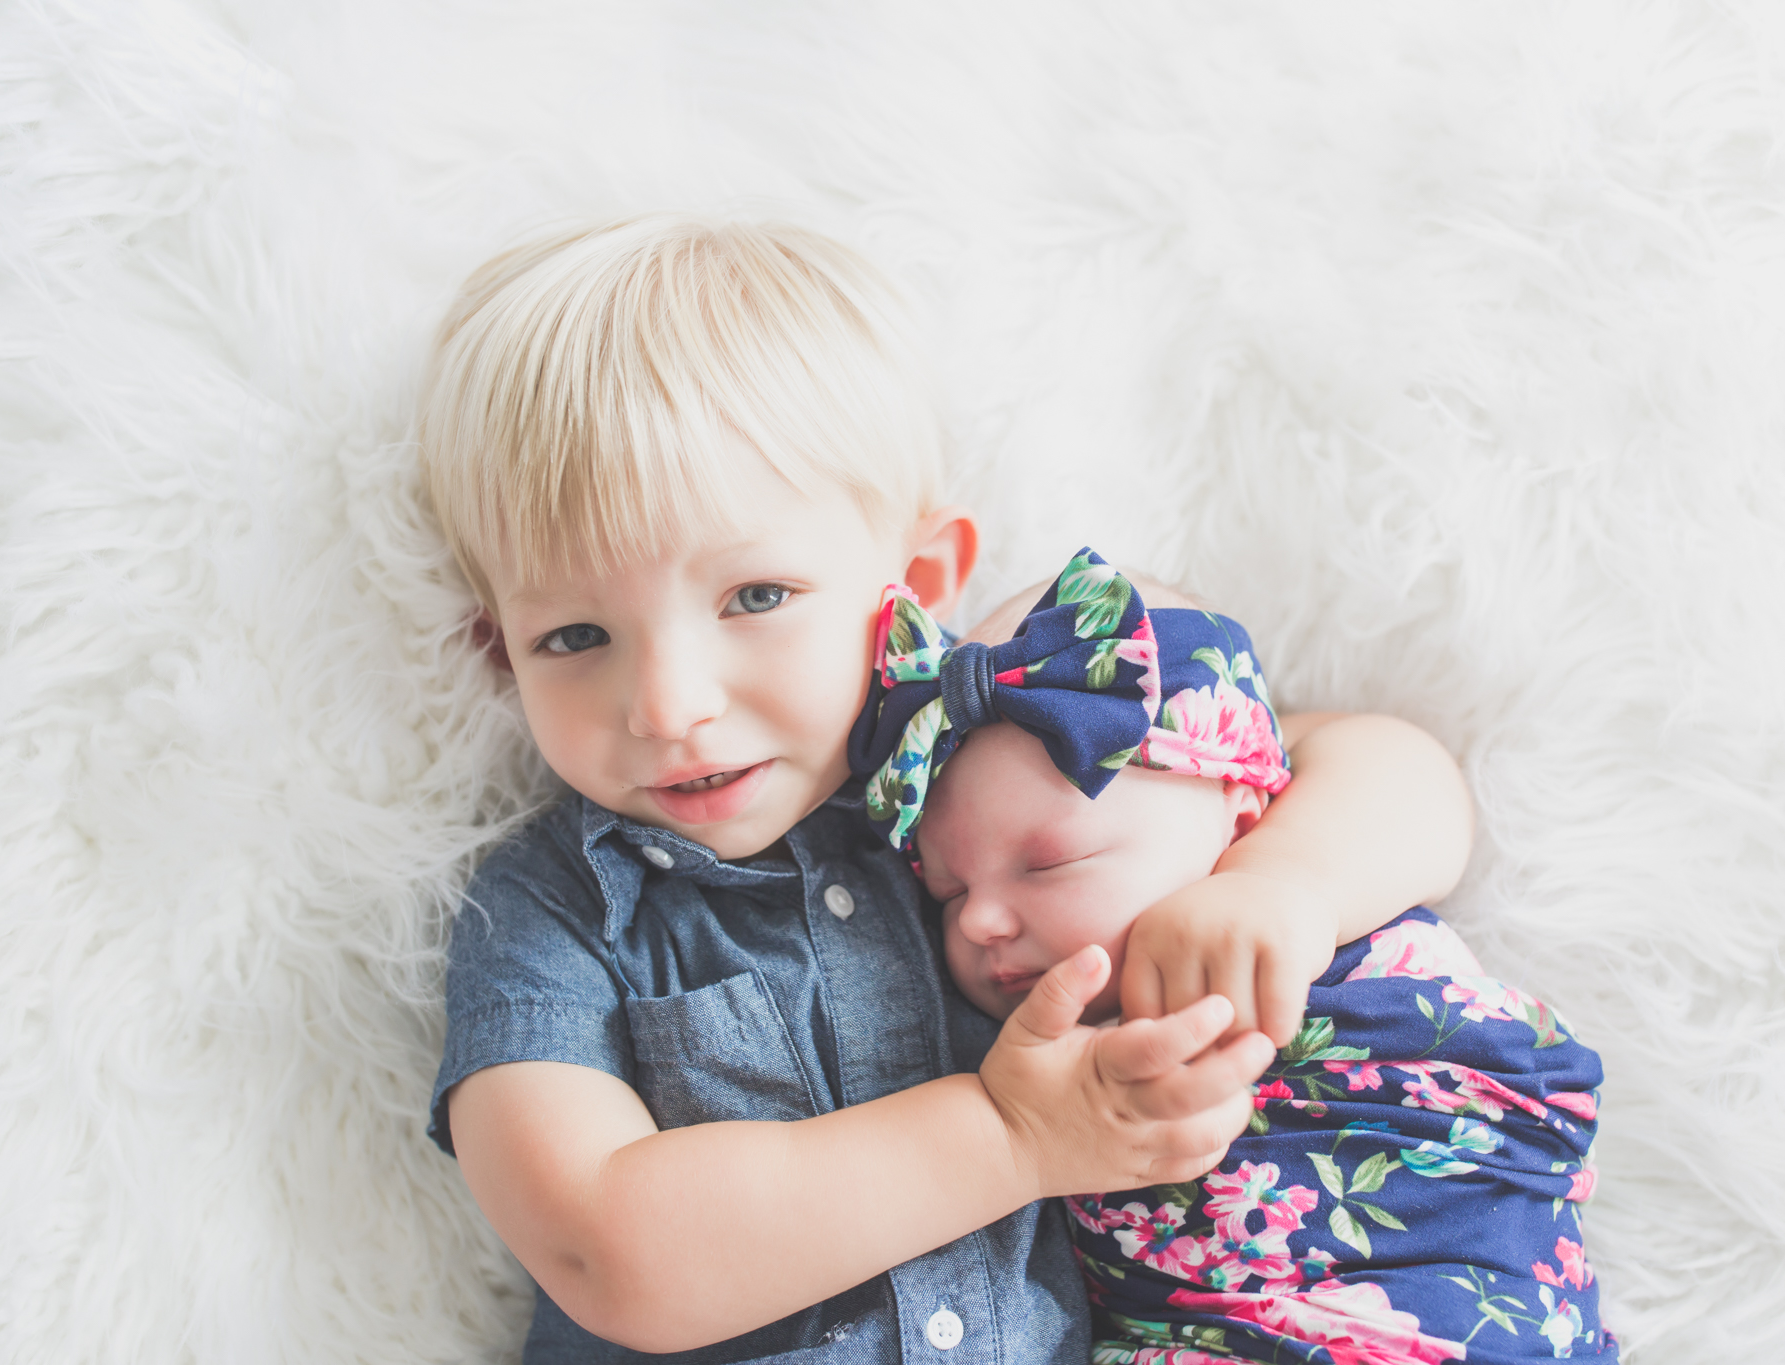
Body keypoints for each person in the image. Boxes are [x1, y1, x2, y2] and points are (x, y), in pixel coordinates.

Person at [417, 214, 1475, 1362]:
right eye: (575, 634)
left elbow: (1387, 765)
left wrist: (1283, 884)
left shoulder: (1002, 746)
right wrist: (1010, 1137)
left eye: (755, 597)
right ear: (498, 654)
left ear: (914, 582)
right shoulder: (549, 907)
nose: (666, 705)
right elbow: (598, 1251)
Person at [851, 551, 1614, 1363]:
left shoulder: (1313, 871)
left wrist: (1284, 883)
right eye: (948, 892)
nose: (981, 922)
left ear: (1241, 808)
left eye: (1050, 864)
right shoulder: (1026, 1061)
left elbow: (1411, 775)